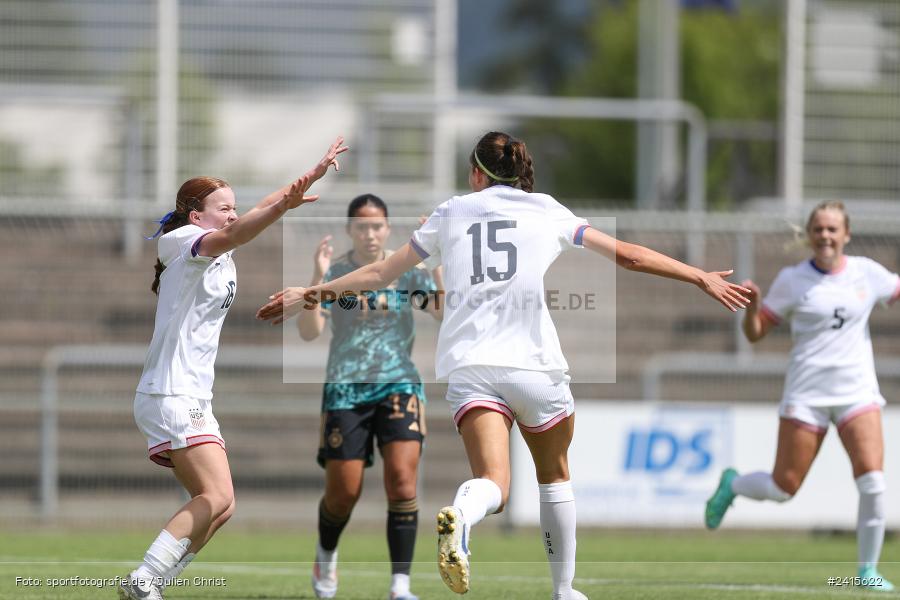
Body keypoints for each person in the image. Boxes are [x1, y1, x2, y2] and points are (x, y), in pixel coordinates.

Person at [257, 131, 749, 599]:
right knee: (554, 476)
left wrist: (312, 292)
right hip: (534, 368)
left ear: (476, 173)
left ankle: (464, 516)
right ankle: (561, 589)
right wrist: (698, 276)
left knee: (493, 481)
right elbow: (630, 256)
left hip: (472, 368)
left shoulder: (451, 212)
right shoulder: (547, 210)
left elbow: (383, 272)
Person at [117, 137, 348, 600]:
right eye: (223, 208)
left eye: (234, 206)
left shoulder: (218, 244)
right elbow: (241, 230)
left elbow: (253, 215)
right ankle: (144, 579)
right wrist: (285, 206)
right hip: (172, 391)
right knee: (217, 498)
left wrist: (306, 179)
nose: (233, 214)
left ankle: (152, 584)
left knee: (221, 506)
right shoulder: (182, 241)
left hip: (188, 393)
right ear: (195, 215)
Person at [705, 201, 900, 592]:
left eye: (833, 229)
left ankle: (865, 572)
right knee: (783, 489)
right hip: (806, 393)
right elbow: (755, 332)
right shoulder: (793, 279)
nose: (826, 236)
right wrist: (754, 307)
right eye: (819, 229)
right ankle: (734, 484)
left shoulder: (867, 273)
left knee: (874, 483)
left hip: (857, 393)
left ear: (846, 234)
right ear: (810, 235)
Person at [296, 194, 443, 600]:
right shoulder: (339, 272)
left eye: (377, 226)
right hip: (346, 388)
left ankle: (400, 586)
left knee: (401, 482)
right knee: (344, 493)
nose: (370, 233)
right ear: (349, 230)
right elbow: (309, 331)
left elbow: (442, 312)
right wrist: (317, 275)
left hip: (400, 384)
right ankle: (326, 555)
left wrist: (439, 256)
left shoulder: (408, 270)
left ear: (387, 229)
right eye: (362, 226)